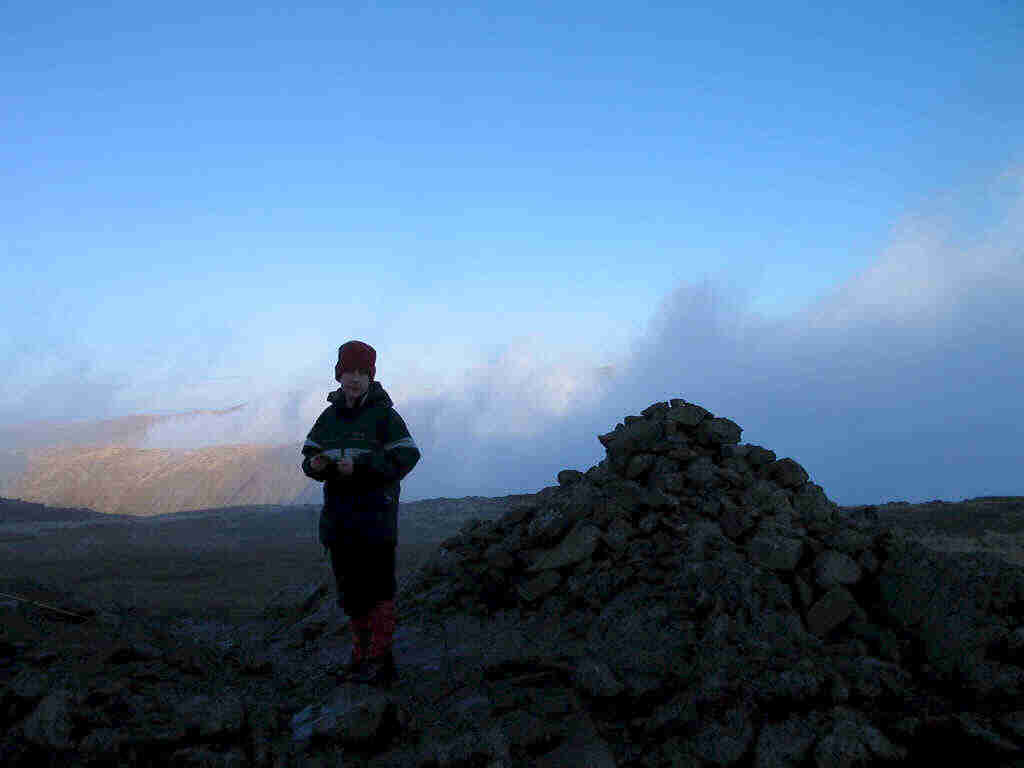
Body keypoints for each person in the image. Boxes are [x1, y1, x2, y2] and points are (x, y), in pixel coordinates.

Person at [301, 340, 420, 686]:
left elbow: (407, 456)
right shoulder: (329, 416)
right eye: (348, 372)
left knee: (379, 589)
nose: (354, 378)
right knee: (351, 593)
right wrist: (316, 465)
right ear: (339, 375)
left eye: (361, 372)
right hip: (340, 521)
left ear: (371, 376)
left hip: (376, 519)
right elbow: (309, 455)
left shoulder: (385, 415)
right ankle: (360, 658)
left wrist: (363, 467)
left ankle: (382, 662)